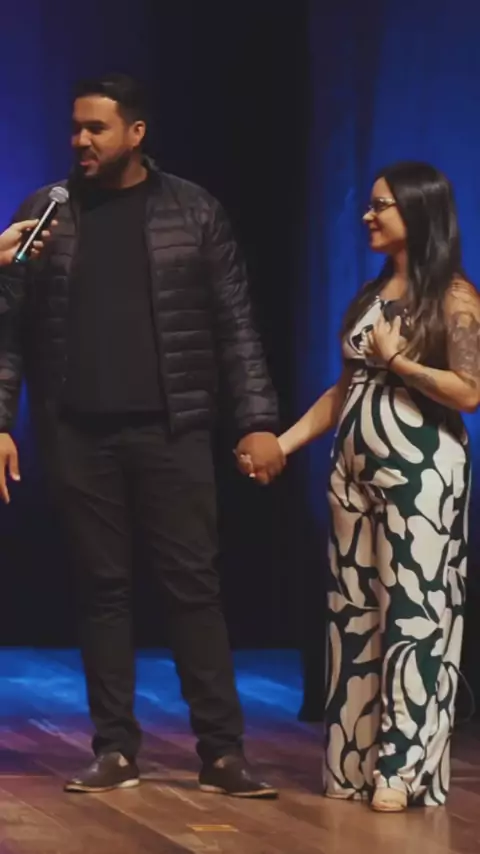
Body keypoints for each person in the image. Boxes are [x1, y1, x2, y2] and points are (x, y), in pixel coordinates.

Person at [0, 73, 285, 796]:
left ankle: (222, 752)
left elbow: (236, 325)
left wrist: (257, 421)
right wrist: (1, 421)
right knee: (102, 591)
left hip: (172, 429)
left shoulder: (193, 211)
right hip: (78, 432)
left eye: (96, 128)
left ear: (136, 132)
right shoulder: (46, 214)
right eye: (75, 127)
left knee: (193, 588)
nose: (81, 140)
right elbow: (9, 330)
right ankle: (115, 750)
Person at [241, 161, 479, 811]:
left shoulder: (454, 295)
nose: (368, 215)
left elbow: (469, 390)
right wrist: (284, 443)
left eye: (382, 206)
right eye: (370, 204)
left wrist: (399, 361)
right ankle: (354, 760)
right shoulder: (372, 295)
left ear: (419, 213)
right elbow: (346, 388)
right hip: (352, 471)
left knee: (413, 613)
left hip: (420, 469)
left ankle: (402, 767)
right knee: (353, 613)